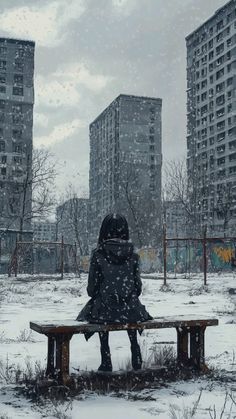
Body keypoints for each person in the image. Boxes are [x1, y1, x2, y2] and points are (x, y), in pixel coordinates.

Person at [76, 213, 152, 372]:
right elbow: (137, 288)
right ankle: (136, 355)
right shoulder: (134, 256)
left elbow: (91, 290)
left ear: (104, 231)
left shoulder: (98, 255)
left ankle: (106, 360)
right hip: (130, 312)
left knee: (100, 309)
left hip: (105, 312)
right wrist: (124, 295)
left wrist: (106, 293)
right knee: (130, 305)